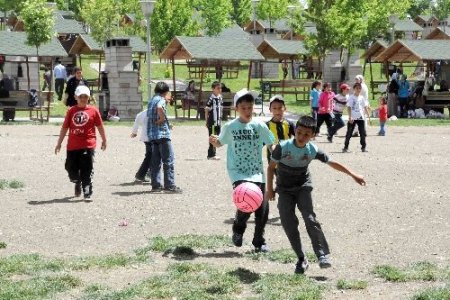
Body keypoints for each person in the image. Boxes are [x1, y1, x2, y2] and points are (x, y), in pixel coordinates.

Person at [266, 115, 366, 274]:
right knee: (288, 222)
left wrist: (354, 175)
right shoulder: (283, 147)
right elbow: (271, 168)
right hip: (284, 189)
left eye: (306, 134)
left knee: (310, 218)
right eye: (299, 132)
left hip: (302, 187)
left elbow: (332, 162)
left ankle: (322, 255)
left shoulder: (311, 149)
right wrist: (270, 189)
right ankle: (301, 258)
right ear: (295, 131)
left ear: (312, 135)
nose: (301, 137)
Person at [209, 88, 275, 252]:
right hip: (238, 172)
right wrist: (214, 142)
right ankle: (238, 229)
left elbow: (271, 144)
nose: (247, 111)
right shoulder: (230, 126)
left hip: (257, 172)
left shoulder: (259, 125)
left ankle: (258, 241)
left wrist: (281, 155)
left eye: (250, 107)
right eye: (243, 108)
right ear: (236, 108)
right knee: (248, 202)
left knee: (263, 208)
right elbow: (220, 143)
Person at [54, 86, 107, 199]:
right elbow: (64, 128)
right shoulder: (71, 111)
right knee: (70, 167)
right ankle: (77, 181)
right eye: (80, 96)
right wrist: (59, 143)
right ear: (75, 97)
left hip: (88, 144)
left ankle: (87, 191)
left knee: (86, 168)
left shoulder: (93, 111)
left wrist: (104, 140)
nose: (83, 99)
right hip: (73, 146)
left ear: (88, 98)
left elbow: (100, 126)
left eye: (85, 96)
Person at [147, 82, 182, 193]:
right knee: (168, 160)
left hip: (152, 135)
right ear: (165, 91)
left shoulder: (151, 100)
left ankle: (156, 185)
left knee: (155, 162)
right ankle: (169, 185)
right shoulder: (161, 99)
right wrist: (162, 119)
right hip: (162, 134)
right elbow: (160, 108)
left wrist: (164, 121)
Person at [266, 95, 295, 161]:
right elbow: (261, 142)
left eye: (280, 108)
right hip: (273, 159)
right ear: (270, 109)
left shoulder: (289, 124)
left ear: (285, 108)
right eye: (274, 108)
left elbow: (298, 136)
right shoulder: (267, 126)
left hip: (287, 157)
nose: (277, 111)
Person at [343, 82, 370, 153]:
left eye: (359, 88)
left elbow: (364, 107)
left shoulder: (362, 98)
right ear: (354, 89)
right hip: (353, 118)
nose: (358, 90)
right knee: (349, 133)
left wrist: (368, 116)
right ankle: (345, 147)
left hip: (360, 117)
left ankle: (363, 147)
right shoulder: (351, 97)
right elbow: (349, 107)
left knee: (362, 133)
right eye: (357, 88)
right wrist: (350, 117)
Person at [131, 109, 151, 182]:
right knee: (152, 156)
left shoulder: (142, 113)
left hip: (145, 137)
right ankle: (145, 174)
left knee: (150, 156)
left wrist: (134, 132)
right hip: (152, 137)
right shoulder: (155, 111)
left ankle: (142, 175)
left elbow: (137, 120)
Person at [205, 81, 223, 160]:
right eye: (218, 88)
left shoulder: (220, 97)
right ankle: (211, 155)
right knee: (212, 137)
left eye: (220, 88)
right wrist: (206, 121)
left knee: (217, 136)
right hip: (212, 121)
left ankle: (214, 153)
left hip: (218, 121)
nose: (219, 90)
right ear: (213, 89)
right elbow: (206, 109)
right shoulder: (211, 98)